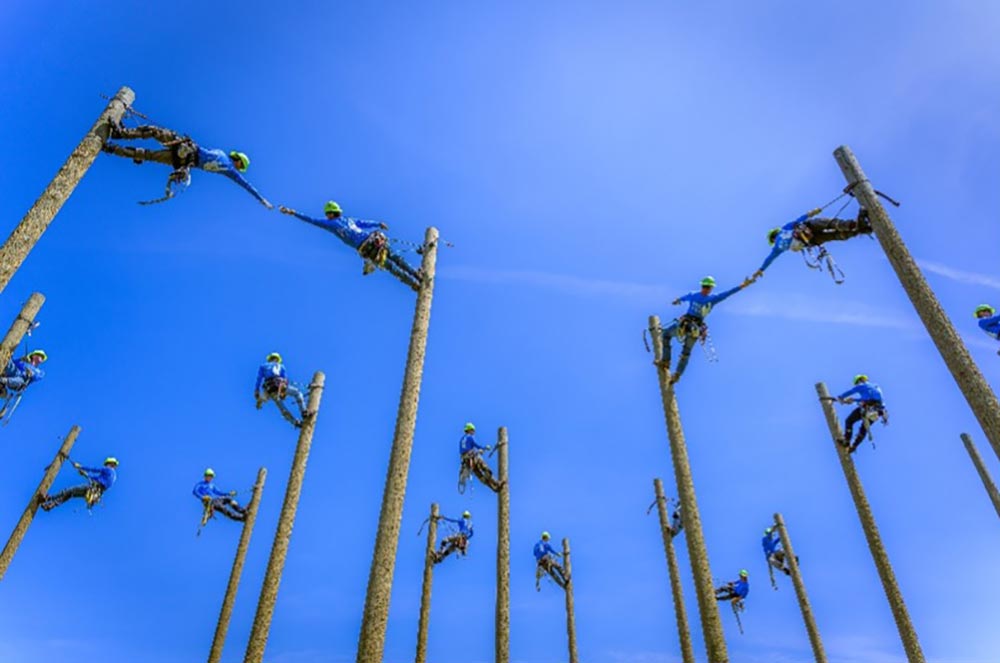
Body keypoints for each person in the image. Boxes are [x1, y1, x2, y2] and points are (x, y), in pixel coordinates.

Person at [103, 124, 272, 208]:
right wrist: (261, 199)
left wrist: (261, 199)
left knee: (153, 138)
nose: (236, 162)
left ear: (238, 161)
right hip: (184, 159)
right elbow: (245, 184)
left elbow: (245, 184)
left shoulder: (229, 169)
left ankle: (117, 139)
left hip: (186, 153)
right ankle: (114, 145)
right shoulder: (228, 167)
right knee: (148, 152)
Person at [279, 201, 422, 290]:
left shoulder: (331, 223)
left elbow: (312, 220)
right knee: (394, 258)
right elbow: (364, 223)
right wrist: (378, 224)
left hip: (367, 246)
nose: (327, 216)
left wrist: (294, 213)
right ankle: (415, 276)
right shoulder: (347, 220)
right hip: (371, 241)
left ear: (331, 213)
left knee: (390, 264)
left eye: (328, 214)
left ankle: (413, 282)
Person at [658, 276, 751, 384]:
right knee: (667, 335)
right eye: (705, 286)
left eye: (708, 287)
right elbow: (682, 298)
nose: (706, 289)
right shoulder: (693, 295)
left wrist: (741, 286)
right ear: (702, 286)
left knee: (685, 352)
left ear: (711, 288)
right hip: (687, 324)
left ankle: (676, 374)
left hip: (694, 327)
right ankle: (666, 362)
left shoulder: (712, 299)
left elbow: (727, 293)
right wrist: (677, 300)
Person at [753, 206, 871, 278]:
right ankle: (855, 225)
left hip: (810, 241)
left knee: (834, 236)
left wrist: (760, 270)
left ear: (772, 240)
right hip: (809, 228)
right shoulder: (784, 228)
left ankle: (859, 230)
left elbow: (768, 260)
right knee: (831, 223)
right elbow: (799, 220)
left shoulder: (777, 248)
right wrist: (813, 212)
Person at [41, 457, 118, 511]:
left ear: (111, 464)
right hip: (95, 493)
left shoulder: (108, 470)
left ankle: (49, 499)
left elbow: (93, 469)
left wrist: (81, 467)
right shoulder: (113, 477)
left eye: (107, 464)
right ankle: (51, 505)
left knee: (68, 490)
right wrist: (85, 475)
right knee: (70, 494)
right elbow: (98, 480)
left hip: (91, 489)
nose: (105, 466)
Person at [254, 352, 308, 428]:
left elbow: (259, 379)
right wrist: (284, 392)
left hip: (270, 389)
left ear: (270, 359)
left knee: (281, 407)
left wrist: (256, 390)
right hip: (280, 385)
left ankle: (295, 422)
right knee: (297, 393)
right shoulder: (281, 366)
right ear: (277, 359)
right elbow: (285, 379)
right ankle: (304, 411)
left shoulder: (263, 366)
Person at [836, 374, 887, 453]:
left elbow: (851, 391)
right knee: (864, 428)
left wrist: (840, 397)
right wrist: (854, 400)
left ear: (859, 381)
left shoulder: (861, 385)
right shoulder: (876, 386)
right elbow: (869, 398)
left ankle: (846, 441)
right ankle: (854, 446)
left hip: (868, 408)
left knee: (849, 421)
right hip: (878, 411)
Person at [458, 422, 502, 493]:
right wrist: (484, 448)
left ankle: (494, 488)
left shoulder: (461, 440)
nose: (473, 432)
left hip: (466, 462)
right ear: (469, 430)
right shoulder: (470, 437)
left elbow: (462, 451)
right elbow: (477, 445)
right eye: (472, 430)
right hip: (472, 456)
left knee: (479, 474)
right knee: (485, 467)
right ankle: (496, 482)